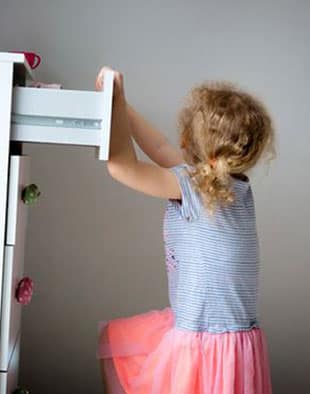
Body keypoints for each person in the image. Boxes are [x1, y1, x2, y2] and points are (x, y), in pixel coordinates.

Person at [96, 67, 275, 394]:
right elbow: (162, 149)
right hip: (228, 342)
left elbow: (122, 167)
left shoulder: (196, 188)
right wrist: (119, 103)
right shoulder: (234, 188)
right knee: (116, 338)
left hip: (204, 344)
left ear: (197, 145)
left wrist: (113, 105)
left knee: (115, 343)